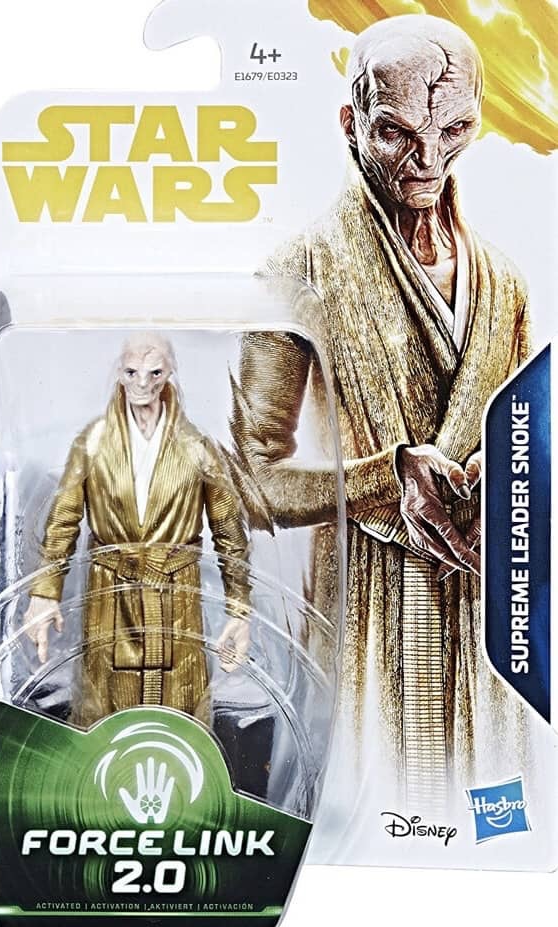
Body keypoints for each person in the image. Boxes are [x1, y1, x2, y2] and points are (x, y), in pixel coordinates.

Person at [229, 15, 531, 813]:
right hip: (361, 627)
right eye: (397, 132)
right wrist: (385, 478)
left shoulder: (506, 284)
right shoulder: (298, 269)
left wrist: (504, 486)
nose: (427, 160)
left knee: (490, 828)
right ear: (350, 122)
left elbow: (535, 440)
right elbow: (249, 483)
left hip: (486, 635)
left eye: (453, 130)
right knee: (358, 819)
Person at [24, 334, 251, 728]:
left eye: (155, 372)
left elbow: (229, 530)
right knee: (102, 706)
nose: (143, 382)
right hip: (111, 592)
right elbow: (63, 520)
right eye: (132, 372)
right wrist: (44, 593)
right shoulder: (93, 442)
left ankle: (185, 762)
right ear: (119, 373)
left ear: (170, 373)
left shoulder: (196, 447)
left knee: (181, 706)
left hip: (176, 593)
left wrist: (240, 608)